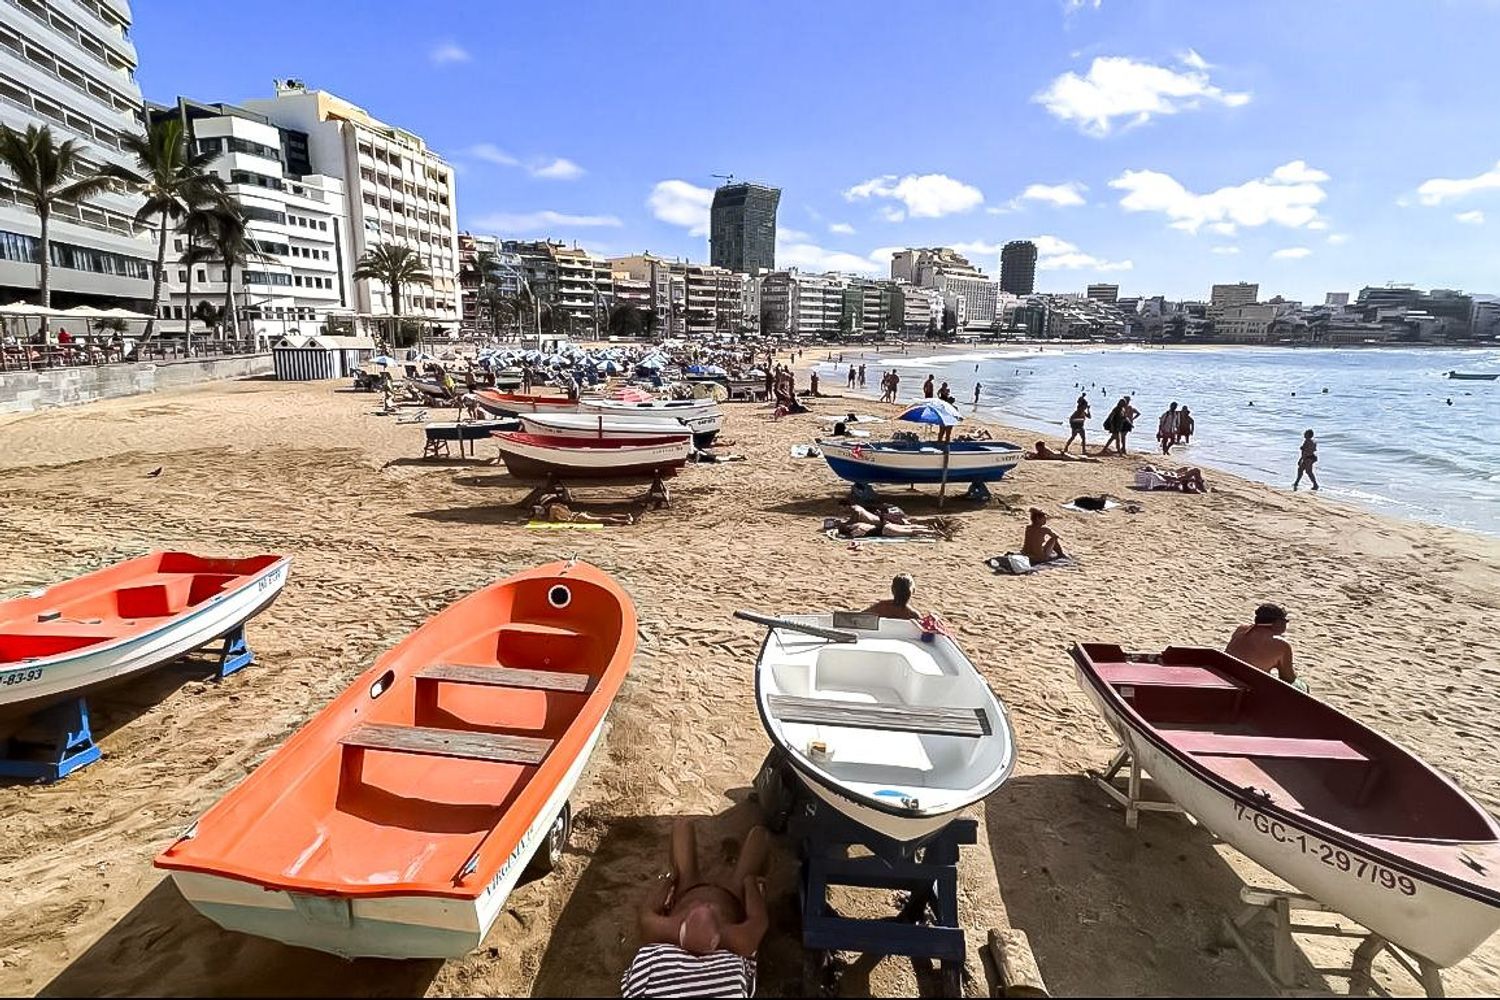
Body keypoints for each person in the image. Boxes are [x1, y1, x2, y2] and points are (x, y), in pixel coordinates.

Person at [626, 822, 768, 998]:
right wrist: (750, 883)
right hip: (732, 896)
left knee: (681, 825)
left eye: (697, 909)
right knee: (759, 835)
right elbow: (759, 919)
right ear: (718, 935)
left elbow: (646, 911)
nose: (705, 904)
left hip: (687, 889)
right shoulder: (737, 938)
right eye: (711, 911)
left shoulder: (661, 929)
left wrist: (670, 878)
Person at [1225, 604, 1297, 684]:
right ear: (1278, 623)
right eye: (1285, 621)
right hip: (1253, 686)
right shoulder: (1281, 645)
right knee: (1300, 685)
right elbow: (1288, 679)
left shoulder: (1241, 630)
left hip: (1228, 676)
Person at [1027, 440, 1099, 463]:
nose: (1036, 449)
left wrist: (1029, 456)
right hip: (1061, 455)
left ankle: (1093, 460)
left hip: (1062, 456)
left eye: (1037, 447)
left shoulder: (1043, 451)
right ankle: (1091, 459)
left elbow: (1038, 457)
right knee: (1076, 458)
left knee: (1077, 459)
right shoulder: (1043, 450)